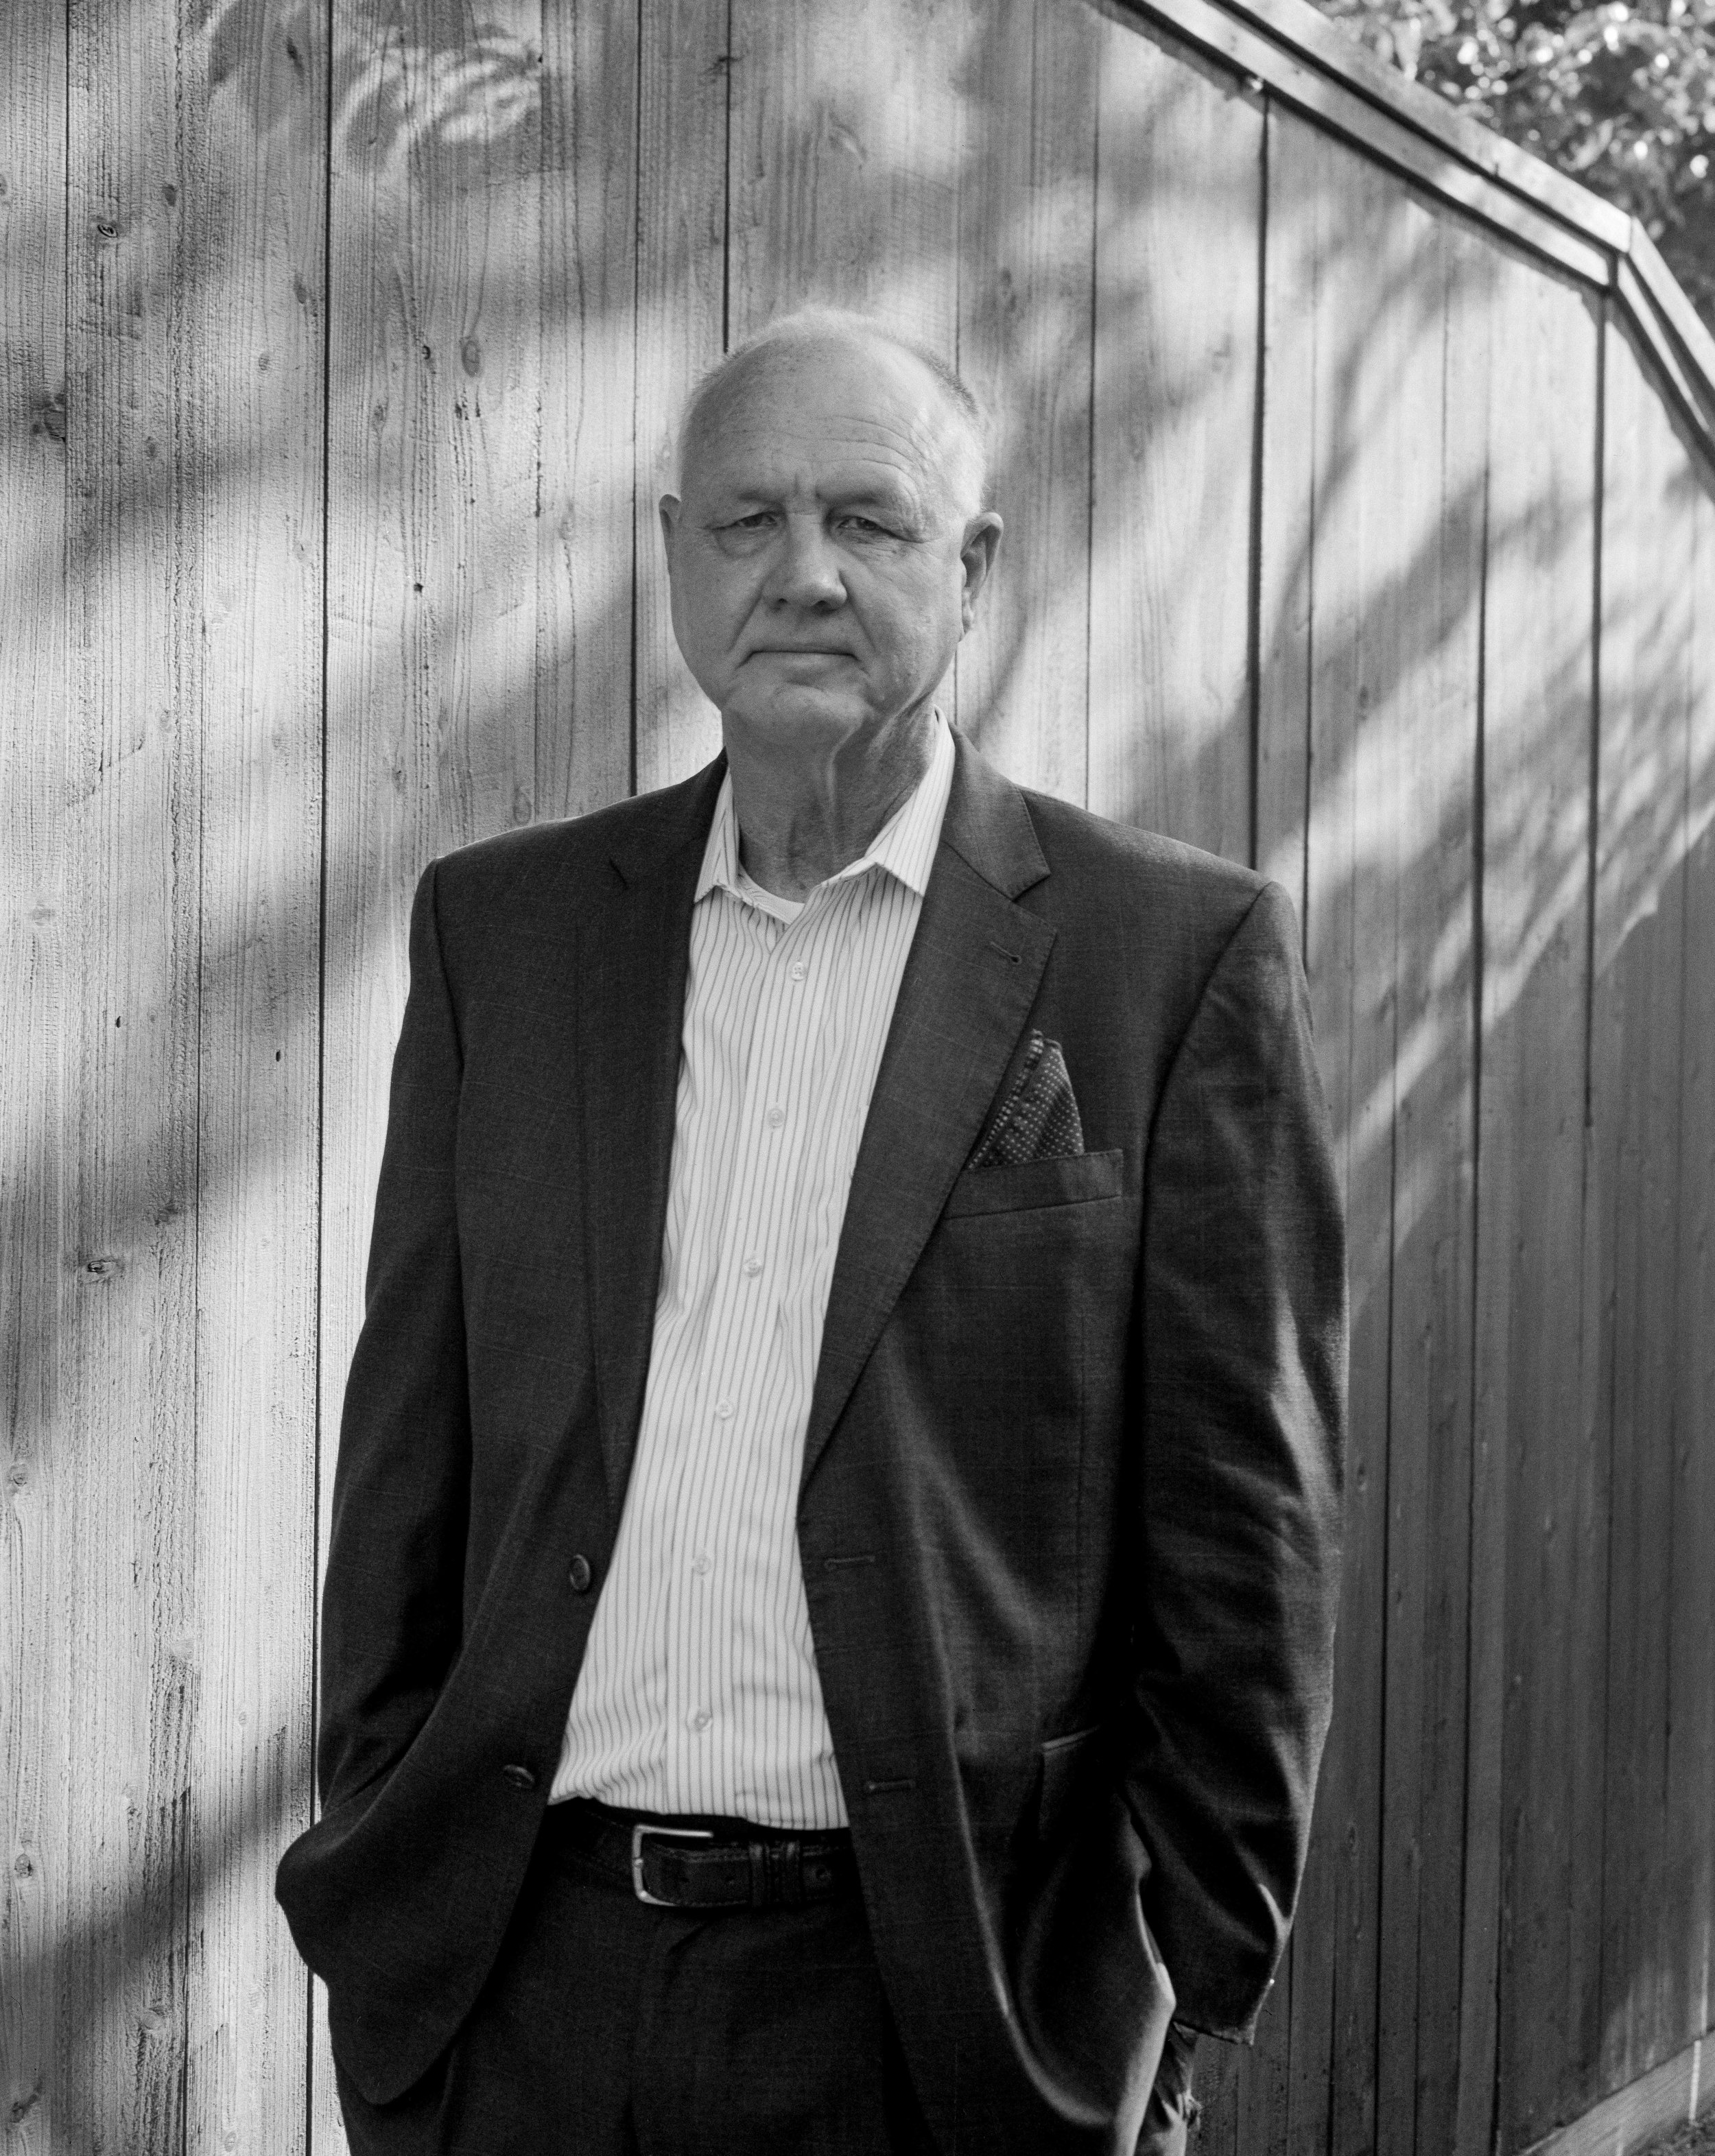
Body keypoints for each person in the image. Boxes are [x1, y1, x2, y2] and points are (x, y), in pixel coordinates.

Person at [276, 306, 1346, 2156]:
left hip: (947, 2016)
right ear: (674, 554)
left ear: (972, 567)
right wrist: (381, 1868)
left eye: (869, 521)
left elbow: (1244, 1540)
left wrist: (1182, 1999)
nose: (804, 576)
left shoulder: (1162, 960)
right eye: (747, 522)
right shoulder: (502, 940)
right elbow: (407, 1465)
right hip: (511, 1993)